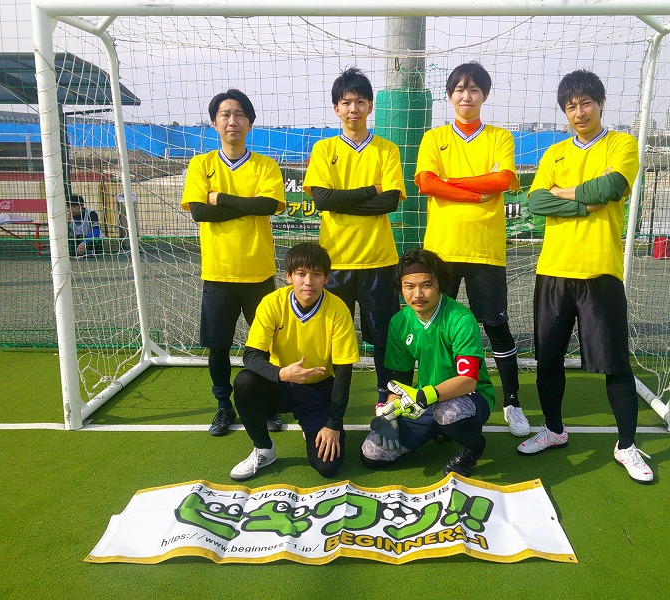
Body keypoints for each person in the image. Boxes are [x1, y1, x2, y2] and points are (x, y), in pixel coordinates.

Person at [522, 69, 653, 483]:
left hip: (600, 272)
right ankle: (553, 430)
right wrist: (581, 202)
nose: (579, 112)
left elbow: (610, 188)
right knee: (548, 360)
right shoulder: (554, 153)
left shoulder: (621, 144)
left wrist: (562, 192)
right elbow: (535, 202)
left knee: (615, 364)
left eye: (585, 103)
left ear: (600, 104)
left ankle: (627, 445)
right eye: (571, 106)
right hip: (552, 272)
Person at [414, 61, 529, 437]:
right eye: (460, 89)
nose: (467, 96)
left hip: (485, 250)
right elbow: (426, 183)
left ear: (485, 95)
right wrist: (476, 191)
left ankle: (512, 402)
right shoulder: (434, 138)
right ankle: (432, 398)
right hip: (442, 250)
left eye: (474, 89)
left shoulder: (500, 137)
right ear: (450, 96)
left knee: (495, 325)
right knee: (434, 328)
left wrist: (451, 182)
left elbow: (504, 179)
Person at [181, 89, 285, 437]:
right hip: (219, 273)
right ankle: (223, 406)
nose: (232, 120)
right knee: (219, 347)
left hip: (259, 272)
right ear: (214, 122)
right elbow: (199, 212)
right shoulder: (201, 164)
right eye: (225, 114)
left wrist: (221, 199)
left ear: (250, 123)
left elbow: (267, 206)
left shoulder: (266, 165)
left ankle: (269, 403)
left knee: (267, 345)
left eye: (239, 114)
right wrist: (246, 204)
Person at [303, 67, 407, 406]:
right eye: (346, 102)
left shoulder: (387, 150)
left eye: (360, 102)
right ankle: (329, 399)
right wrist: (370, 191)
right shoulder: (323, 149)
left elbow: (389, 202)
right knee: (332, 337)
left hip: (379, 259)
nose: (353, 109)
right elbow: (322, 200)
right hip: (334, 262)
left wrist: (343, 201)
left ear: (371, 106)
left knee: (383, 338)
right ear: (336, 108)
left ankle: (386, 398)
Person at [230, 242, 359, 480]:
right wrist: (281, 374)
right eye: (301, 274)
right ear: (289, 276)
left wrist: (333, 423)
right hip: (280, 386)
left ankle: (313, 426)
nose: (309, 281)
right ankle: (264, 449)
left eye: (316, 274)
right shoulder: (272, 303)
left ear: (326, 278)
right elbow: (251, 356)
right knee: (245, 382)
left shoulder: (338, 309)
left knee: (328, 467)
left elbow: (343, 370)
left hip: (317, 391)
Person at [360, 248, 493, 478]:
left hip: (469, 396)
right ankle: (438, 430)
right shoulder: (399, 322)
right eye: (409, 286)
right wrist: (389, 414)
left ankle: (474, 447)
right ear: (400, 288)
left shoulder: (460, 318)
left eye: (426, 285)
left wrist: (426, 395)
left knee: (448, 414)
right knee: (372, 454)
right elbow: (400, 379)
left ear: (440, 284)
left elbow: (468, 380)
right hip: (425, 400)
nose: (418, 294)